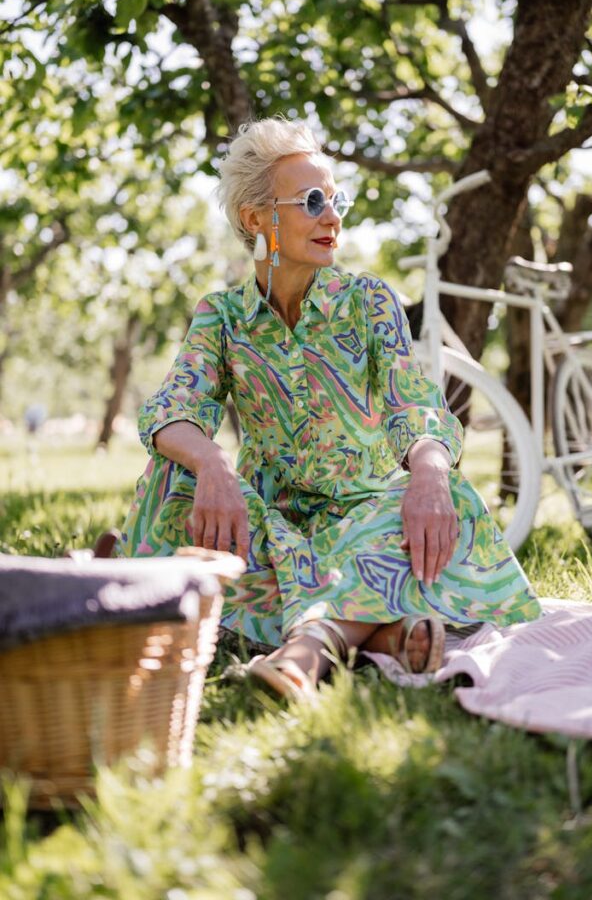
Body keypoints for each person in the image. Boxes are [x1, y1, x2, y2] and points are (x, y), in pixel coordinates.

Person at [117, 117, 541, 700]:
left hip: (368, 516)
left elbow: (411, 402)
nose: (332, 216)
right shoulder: (221, 315)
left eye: (335, 199)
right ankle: (380, 632)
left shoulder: (369, 301)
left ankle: (308, 650)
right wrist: (214, 465)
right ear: (257, 218)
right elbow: (174, 407)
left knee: (445, 498)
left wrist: (429, 470)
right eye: (312, 201)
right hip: (270, 523)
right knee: (173, 472)